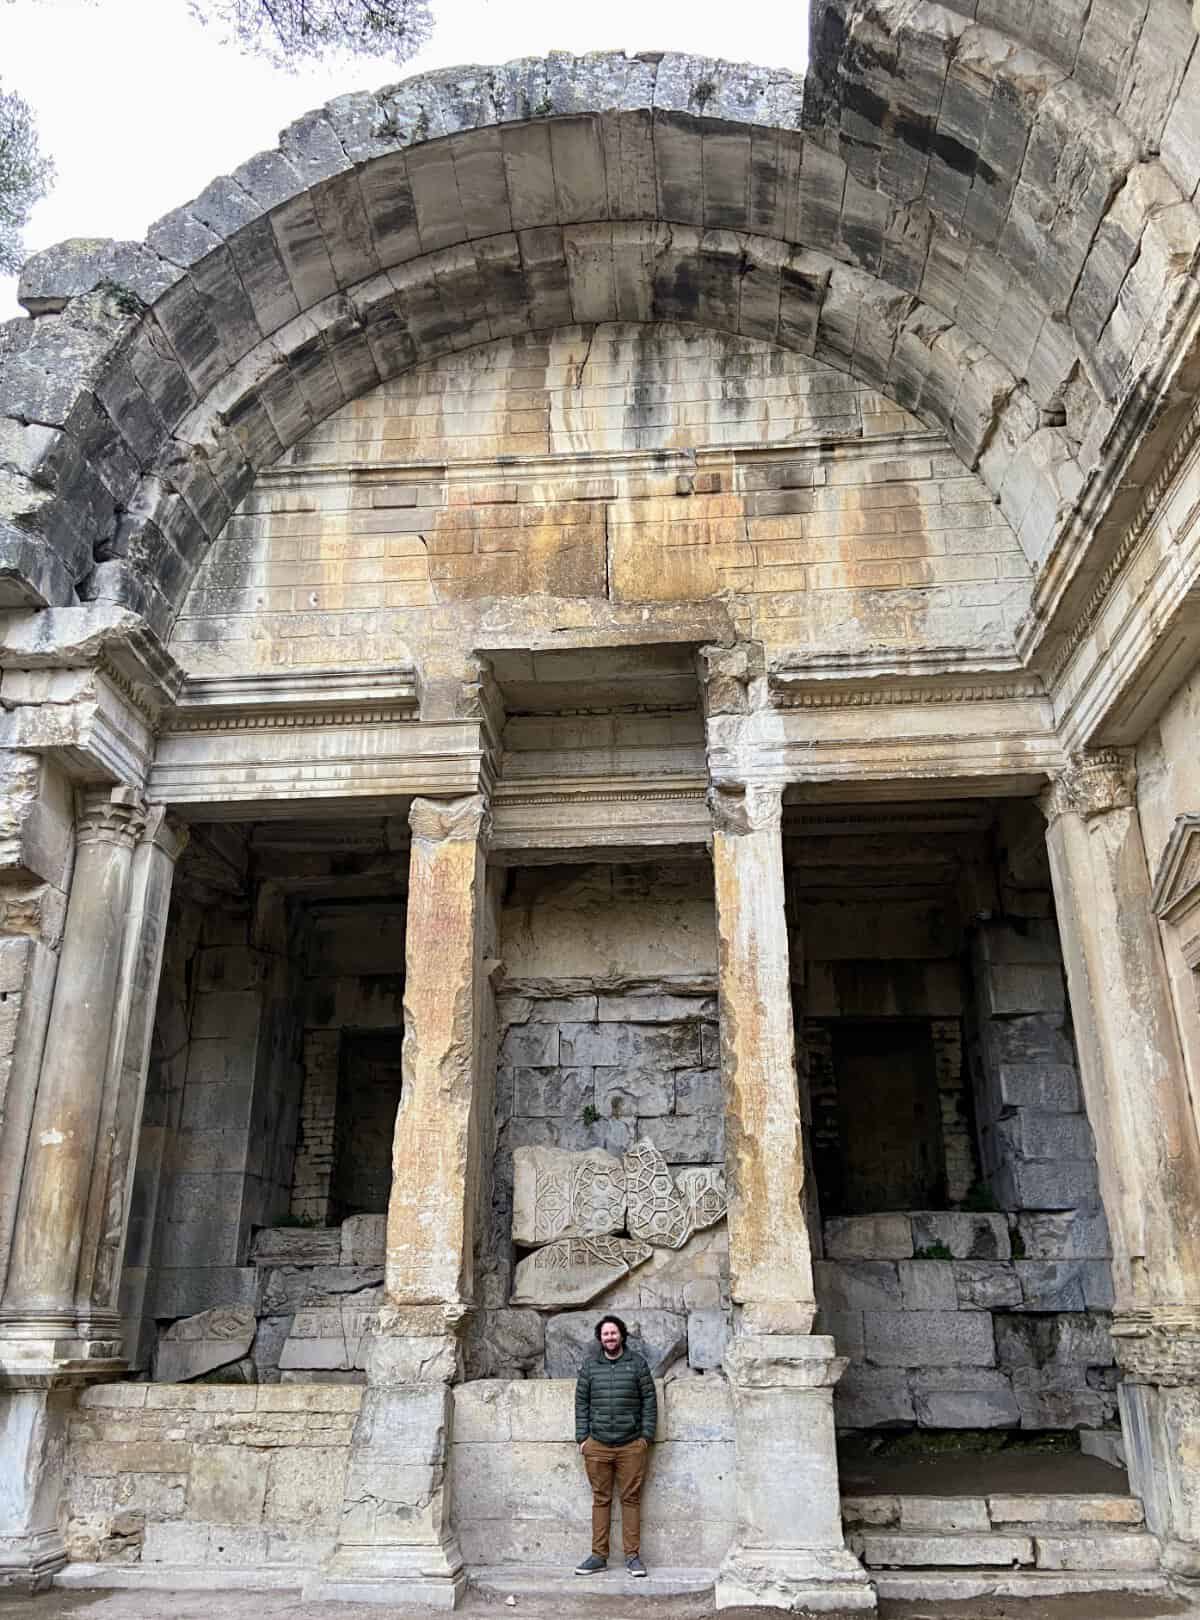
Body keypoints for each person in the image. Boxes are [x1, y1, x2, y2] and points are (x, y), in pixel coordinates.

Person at [573, 1313, 657, 1578]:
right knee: (601, 1499)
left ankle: (632, 1557)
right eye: (605, 1334)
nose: (610, 1337)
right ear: (600, 1338)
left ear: (622, 1335)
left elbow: (649, 1403)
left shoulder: (637, 1364)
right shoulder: (589, 1367)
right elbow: (581, 1403)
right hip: (597, 1444)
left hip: (631, 1444)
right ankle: (598, 1556)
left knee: (630, 1499)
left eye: (614, 1333)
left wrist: (645, 1438)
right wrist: (582, 1438)